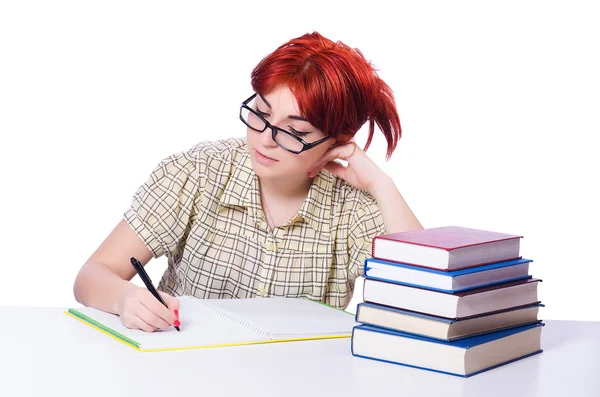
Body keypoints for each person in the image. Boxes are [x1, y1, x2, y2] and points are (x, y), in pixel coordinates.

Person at [73, 31, 423, 333]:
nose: (266, 138)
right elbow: (92, 275)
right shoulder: (199, 171)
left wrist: (382, 184)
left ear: (336, 142)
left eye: (295, 131)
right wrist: (125, 299)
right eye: (262, 113)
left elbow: (425, 299)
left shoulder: (353, 209)